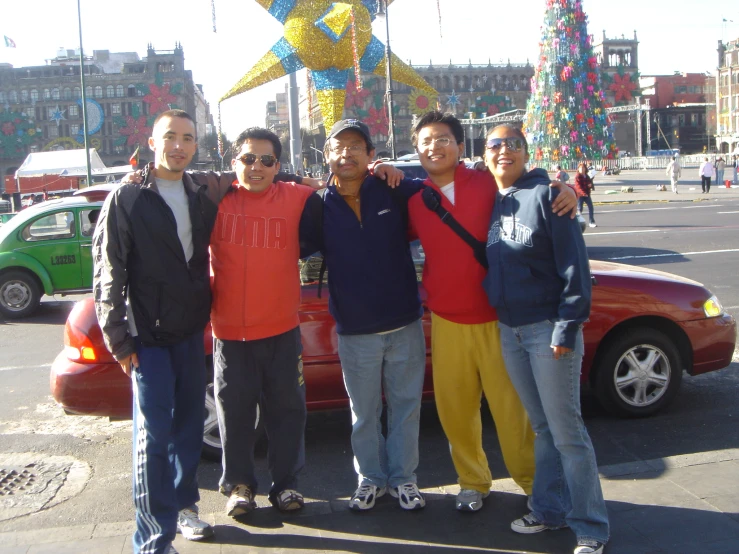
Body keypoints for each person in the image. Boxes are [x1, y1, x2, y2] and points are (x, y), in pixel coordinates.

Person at [403, 110, 577, 513]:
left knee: (512, 412)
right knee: (455, 412)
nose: (435, 147)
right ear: (417, 149)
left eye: (443, 139)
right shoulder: (413, 198)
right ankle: (472, 482)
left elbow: (531, 182)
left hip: (499, 321)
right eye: (426, 141)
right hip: (447, 321)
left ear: (461, 147)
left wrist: (564, 187)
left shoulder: (487, 182)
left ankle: (534, 484)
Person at [93, 109, 217, 554]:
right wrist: (119, 341)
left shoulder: (200, 192)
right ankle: (152, 538)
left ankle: (185, 507)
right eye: (170, 137)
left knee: (188, 429)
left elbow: (262, 175)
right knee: (153, 438)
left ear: (196, 146)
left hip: (188, 332)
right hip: (147, 339)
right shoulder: (126, 198)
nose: (179, 146)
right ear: (152, 141)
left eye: (187, 138)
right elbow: (109, 273)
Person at [482, 123, 609, 554]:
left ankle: (590, 527)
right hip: (509, 329)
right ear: (485, 155)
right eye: (495, 145)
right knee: (542, 428)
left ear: (525, 152)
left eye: (513, 145)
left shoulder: (548, 197)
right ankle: (549, 509)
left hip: (547, 331)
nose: (504, 152)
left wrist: (566, 327)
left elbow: (576, 268)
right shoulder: (494, 201)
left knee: (567, 431)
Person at [315, 120, 426, 511]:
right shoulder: (317, 203)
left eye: (356, 147)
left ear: (369, 155)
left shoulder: (392, 189)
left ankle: (403, 479)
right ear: (327, 155)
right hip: (356, 329)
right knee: (363, 413)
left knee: (406, 406)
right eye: (339, 147)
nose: (347, 153)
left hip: (404, 323)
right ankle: (370, 478)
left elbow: (442, 191)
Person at [210, 127, 320, 518]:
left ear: (278, 165)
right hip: (230, 334)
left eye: (267, 160)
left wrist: (380, 168)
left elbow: (337, 184)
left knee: (287, 413)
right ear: (234, 162)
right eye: (248, 158)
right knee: (236, 415)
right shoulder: (214, 201)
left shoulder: (297, 198)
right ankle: (239, 486)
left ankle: (287, 485)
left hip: (282, 331)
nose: (256, 167)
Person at [574, 162, 596, 227]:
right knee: (580, 209)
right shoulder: (577, 176)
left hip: (587, 194)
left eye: (583, 168)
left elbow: (590, 183)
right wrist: (583, 193)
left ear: (585, 169)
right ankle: (577, 222)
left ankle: (591, 221)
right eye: (580, 168)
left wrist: (590, 185)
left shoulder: (587, 176)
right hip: (580, 195)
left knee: (591, 207)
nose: (582, 169)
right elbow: (578, 187)